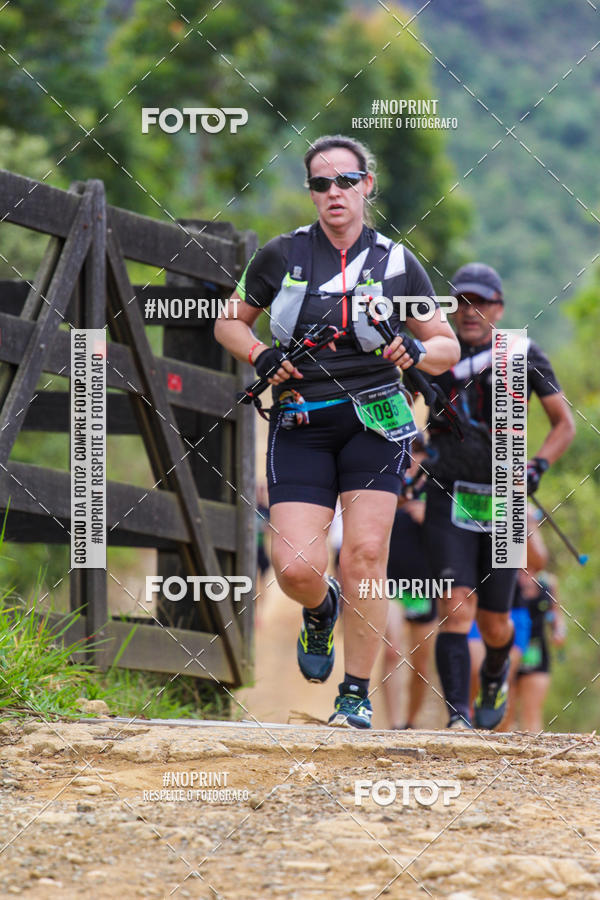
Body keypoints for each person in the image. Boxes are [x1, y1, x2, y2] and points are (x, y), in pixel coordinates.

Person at [215, 134, 459, 728]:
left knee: (367, 556)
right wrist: (259, 354)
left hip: (377, 423)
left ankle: (354, 694)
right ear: (312, 193)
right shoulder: (281, 255)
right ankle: (320, 610)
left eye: (345, 181)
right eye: (321, 184)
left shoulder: (398, 263)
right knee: (296, 566)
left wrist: (412, 349)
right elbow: (229, 322)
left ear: (366, 185)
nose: (333, 194)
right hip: (303, 419)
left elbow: (446, 347)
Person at [423, 262, 575, 729]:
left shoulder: (521, 354)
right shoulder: (435, 354)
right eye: (461, 301)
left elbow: (563, 425)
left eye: (481, 302)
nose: (470, 312)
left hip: (506, 501)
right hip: (448, 494)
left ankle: (494, 673)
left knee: (494, 624)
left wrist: (538, 467)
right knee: (454, 605)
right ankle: (457, 718)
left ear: (499, 308)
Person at [382, 433, 438, 730]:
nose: (414, 458)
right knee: (392, 651)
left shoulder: (437, 489)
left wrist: (431, 517)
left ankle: (411, 724)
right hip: (390, 581)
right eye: (409, 451)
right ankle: (394, 724)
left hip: (425, 584)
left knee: (422, 666)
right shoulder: (385, 480)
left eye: (419, 451)